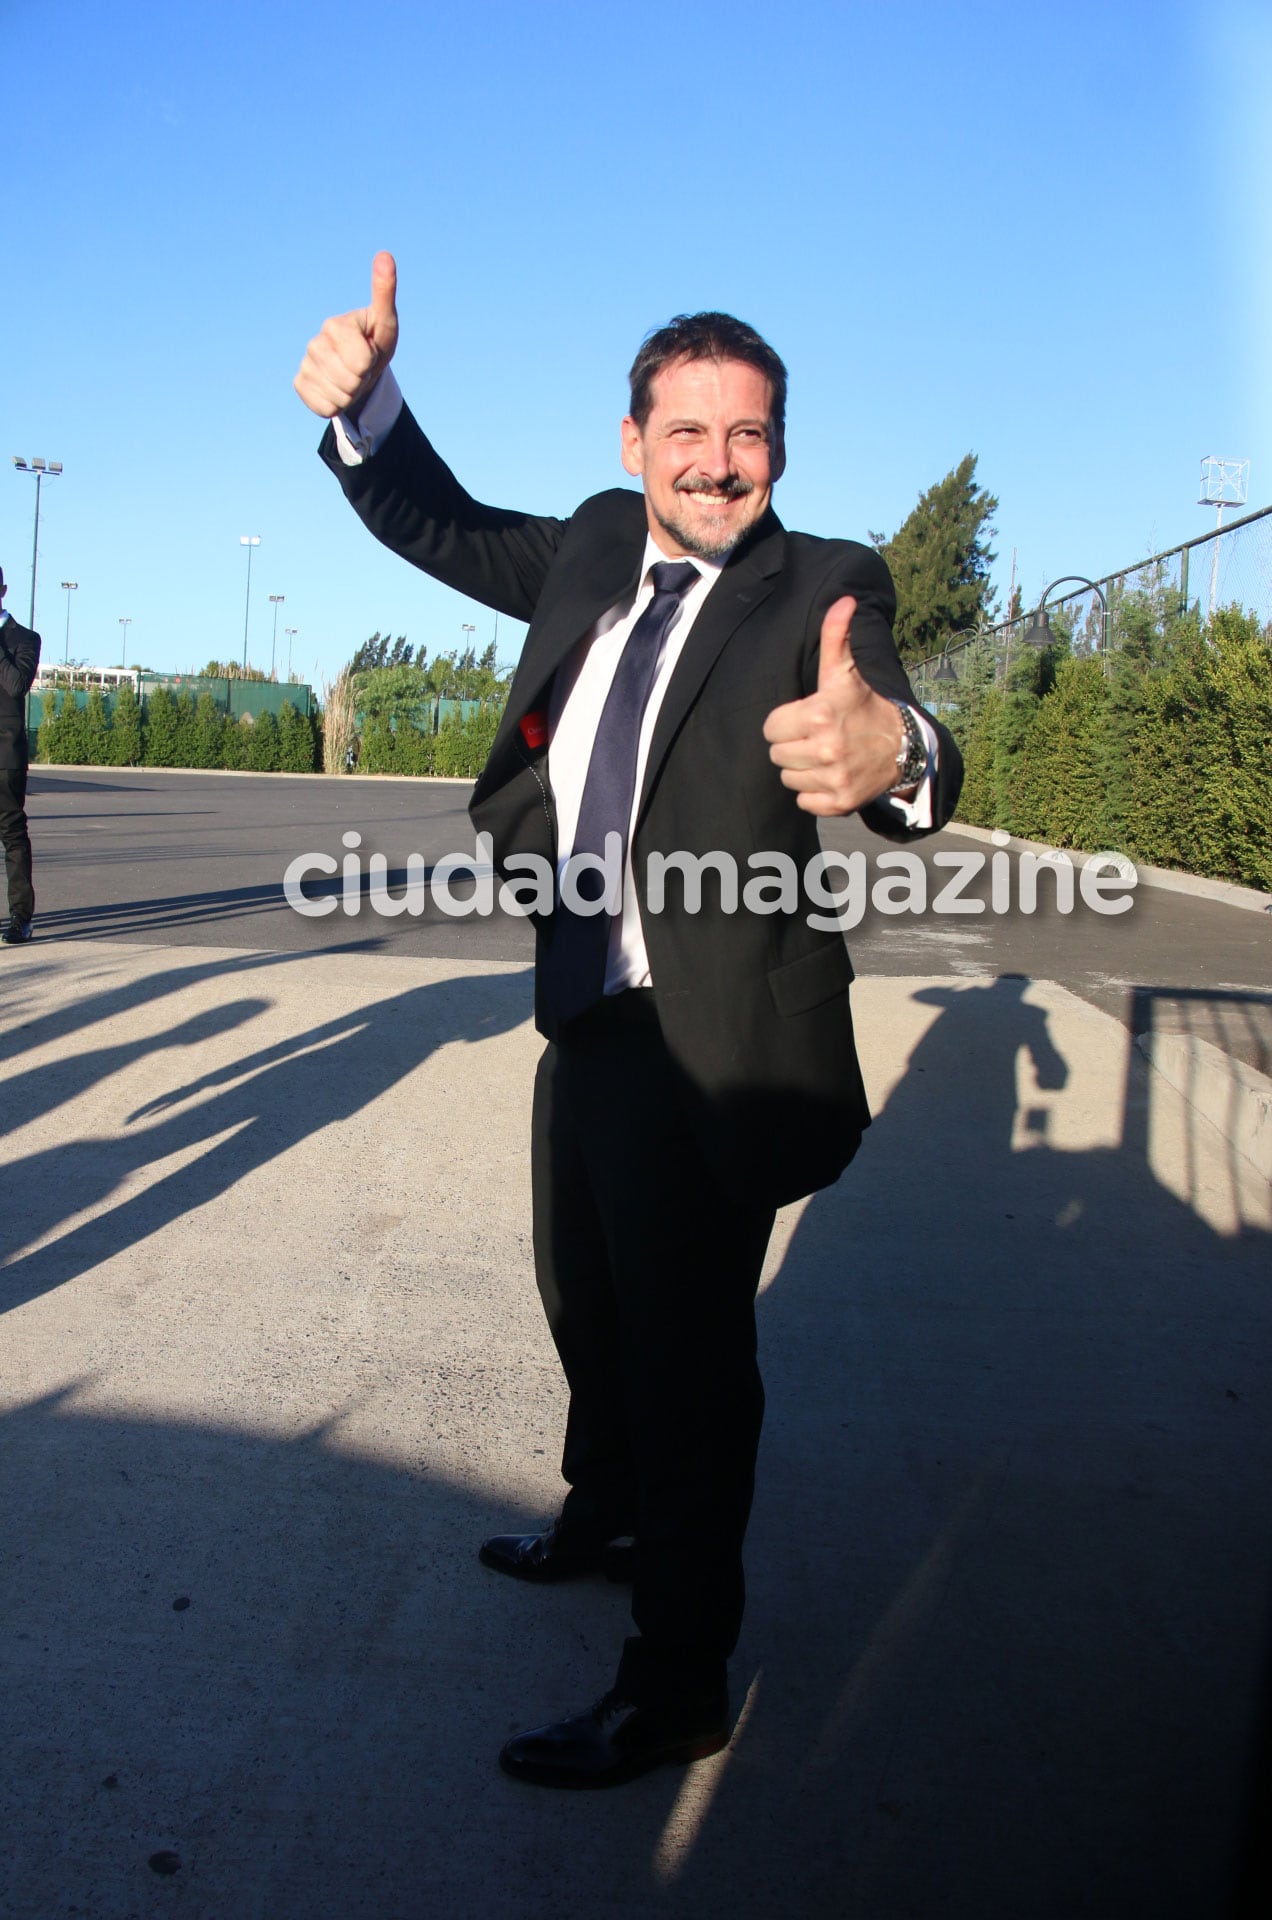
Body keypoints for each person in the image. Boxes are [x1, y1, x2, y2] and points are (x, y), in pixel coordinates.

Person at [295, 254, 963, 1789]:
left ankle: (678, 1682)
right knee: (580, 1287)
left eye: (747, 436)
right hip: (591, 1002)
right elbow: (440, 522)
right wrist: (369, 405)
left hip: (717, 1039)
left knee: (690, 1358)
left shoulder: (827, 583)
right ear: (632, 444)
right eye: (687, 432)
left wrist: (896, 751)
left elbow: (908, 740)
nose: (717, 462)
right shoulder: (598, 544)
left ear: (778, 452)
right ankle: (606, 1512)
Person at [0, 565, 41, 945]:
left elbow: (15, 686)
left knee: (12, 834)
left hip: (4, 756)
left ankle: (20, 918)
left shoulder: (24, 639)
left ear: (3, 590)